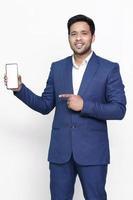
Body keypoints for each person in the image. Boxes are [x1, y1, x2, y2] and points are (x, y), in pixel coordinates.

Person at [5, 14, 126, 200]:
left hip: (93, 153)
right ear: (68, 37)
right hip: (60, 154)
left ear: (92, 37)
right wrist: (20, 89)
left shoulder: (109, 69)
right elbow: (45, 105)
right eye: (73, 34)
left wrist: (84, 105)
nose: (78, 38)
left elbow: (119, 109)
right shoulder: (57, 67)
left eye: (84, 33)